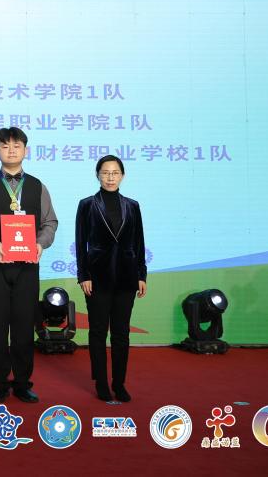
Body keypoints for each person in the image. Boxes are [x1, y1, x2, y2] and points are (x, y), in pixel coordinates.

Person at [0, 127, 58, 404]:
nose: (11, 150)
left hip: (27, 266)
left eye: (16, 146)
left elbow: (50, 222)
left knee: (23, 325)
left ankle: (22, 383)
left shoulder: (38, 186)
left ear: (25, 150)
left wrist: (41, 243)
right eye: (5, 146)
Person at [75, 154, 147, 403]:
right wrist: (83, 275)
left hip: (127, 277)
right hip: (97, 277)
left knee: (121, 333)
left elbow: (139, 243)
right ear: (98, 175)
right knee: (97, 332)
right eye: (105, 172)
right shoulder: (87, 204)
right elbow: (80, 242)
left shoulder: (133, 206)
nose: (110, 177)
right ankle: (102, 382)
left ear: (122, 176)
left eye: (115, 173)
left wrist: (141, 274)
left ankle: (119, 383)